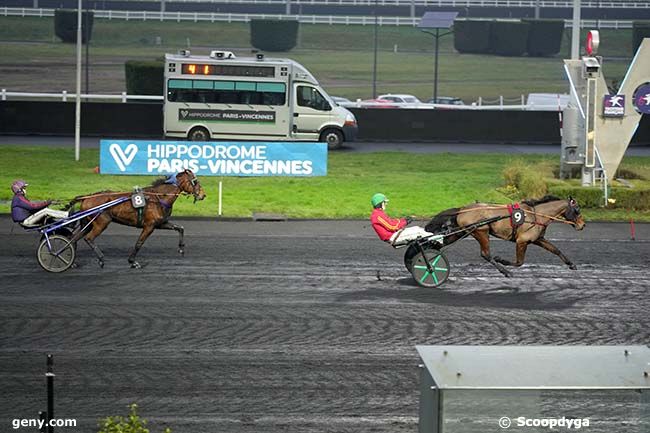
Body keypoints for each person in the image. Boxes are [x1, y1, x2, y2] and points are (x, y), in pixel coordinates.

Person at [370, 193, 437, 246]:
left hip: (395, 234)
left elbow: (392, 222)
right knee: (418, 232)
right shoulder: (377, 216)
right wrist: (405, 222)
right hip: (393, 237)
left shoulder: (379, 213)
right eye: (385, 202)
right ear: (380, 203)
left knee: (416, 228)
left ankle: (433, 238)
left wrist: (403, 220)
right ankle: (438, 240)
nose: (386, 204)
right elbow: (392, 226)